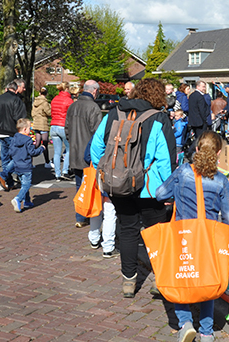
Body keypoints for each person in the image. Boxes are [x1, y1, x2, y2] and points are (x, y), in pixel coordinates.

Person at [89, 77, 176, 298]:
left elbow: (96, 146)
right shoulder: (159, 118)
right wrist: (169, 189)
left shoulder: (114, 113)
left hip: (118, 183)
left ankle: (129, 282)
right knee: (156, 233)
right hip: (149, 187)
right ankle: (159, 279)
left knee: (127, 230)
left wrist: (107, 172)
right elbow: (165, 159)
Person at [154, 131, 229, 342]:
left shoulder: (183, 172)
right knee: (207, 282)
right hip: (208, 238)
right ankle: (207, 331)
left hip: (183, 235)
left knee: (180, 276)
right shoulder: (220, 180)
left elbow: (159, 193)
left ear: (197, 149)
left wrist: (175, 195)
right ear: (219, 153)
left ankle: (185, 323)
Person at [66, 80, 103, 228]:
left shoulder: (72, 106)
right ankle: (90, 214)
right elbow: (98, 133)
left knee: (78, 185)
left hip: (75, 151)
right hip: (89, 154)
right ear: (94, 91)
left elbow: (67, 129)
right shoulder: (93, 107)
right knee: (91, 185)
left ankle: (80, 216)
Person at [0, 79, 27, 191]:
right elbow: (19, 118)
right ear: (16, 89)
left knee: (5, 158)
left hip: (1, 132)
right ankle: (3, 175)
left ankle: (9, 182)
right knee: (17, 157)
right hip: (12, 132)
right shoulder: (16, 100)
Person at [8, 119, 46, 213]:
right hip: (26, 165)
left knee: (24, 184)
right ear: (25, 129)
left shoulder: (14, 138)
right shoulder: (28, 139)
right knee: (27, 184)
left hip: (17, 165)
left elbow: (10, 152)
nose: (31, 130)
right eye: (30, 128)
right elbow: (32, 152)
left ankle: (27, 201)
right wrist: (41, 148)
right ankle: (18, 199)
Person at [50, 81, 73, 181]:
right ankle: (65, 171)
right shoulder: (69, 100)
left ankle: (57, 173)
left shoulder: (54, 99)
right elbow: (71, 115)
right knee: (69, 149)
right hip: (63, 126)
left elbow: (51, 112)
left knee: (57, 152)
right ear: (67, 89)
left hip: (53, 125)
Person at [31, 86, 52, 168]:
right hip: (43, 124)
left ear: (39, 93)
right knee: (45, 143)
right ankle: (47, 162)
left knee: (37, 143)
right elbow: (49, 112)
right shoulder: (45, 102)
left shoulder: (35, 102)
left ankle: (30, 161)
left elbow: (32, 113)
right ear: (46, 94)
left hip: (36, 123)